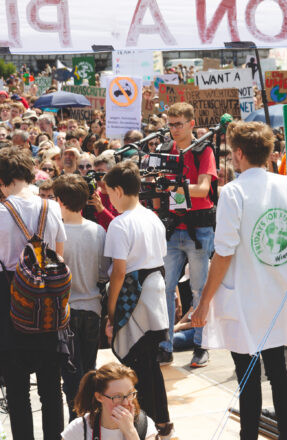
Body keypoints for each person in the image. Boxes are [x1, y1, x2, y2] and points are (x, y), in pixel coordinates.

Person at [192, 121, 287, 440]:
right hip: (277, 290)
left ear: (239, 153)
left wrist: (204, 302)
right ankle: (286, 435)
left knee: (247, 374)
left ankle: (249, 437)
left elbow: (224, 252)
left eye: (231, 153)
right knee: (278, 370)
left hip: (245, 294)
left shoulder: (233, 191)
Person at [103, 161, 176, 439]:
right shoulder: (153, 218)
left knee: (136, 370)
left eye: (109, 193)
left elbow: (119, 272)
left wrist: (111, 311)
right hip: (155, 296)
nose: (109, 199)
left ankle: (142, 426)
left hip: (135, 301)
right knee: (149, 365)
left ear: (119, 191)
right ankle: (162, 423)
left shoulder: (120, 224)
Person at [0, 146, 66, 439]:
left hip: (10, 300)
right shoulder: (51, 207)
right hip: (49, 300)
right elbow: (60, 254)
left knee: (17, 390)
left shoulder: (1, 213)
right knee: (52, 386)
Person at [157, 102, 217, 368]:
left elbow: (204, 190)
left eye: (179, 124)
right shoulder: (164, 150)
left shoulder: (204, 149)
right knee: (165, 289)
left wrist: (172, 187)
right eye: (170, 124)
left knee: (199, 290)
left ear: (192, 124)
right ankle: (165, 345)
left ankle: (201, 345)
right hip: (172, 227)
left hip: (199, 227)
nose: (174, 129)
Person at [53, 174, 110, 421]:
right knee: (89, 371)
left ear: (59, 201)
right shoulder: (98, 231)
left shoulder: (55, 233)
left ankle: (77, 425)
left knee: (70, 376)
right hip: (92, 309)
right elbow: (103, 273)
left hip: (65, 313)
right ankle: (90, 423)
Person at [61, 362, 158, 440]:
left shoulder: (144, 425)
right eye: (117, 396)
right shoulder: (80, 429)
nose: (125, 403)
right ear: (99, 397)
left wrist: (131, 432)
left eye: (129, 394)